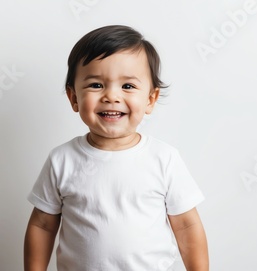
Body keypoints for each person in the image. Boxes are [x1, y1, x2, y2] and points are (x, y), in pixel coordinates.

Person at [24, 25, 209, 271]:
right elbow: (43, 225)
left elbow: (186, 225)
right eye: (96, 85)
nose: (112, 96)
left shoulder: (164, 159)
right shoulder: (62, 159)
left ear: (150, 99)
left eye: (128, 86)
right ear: (74, 98)